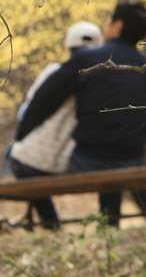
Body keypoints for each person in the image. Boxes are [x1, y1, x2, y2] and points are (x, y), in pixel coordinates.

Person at [17, 0, 146, 227]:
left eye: (108, 20)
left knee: (30, 163)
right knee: (123, 160)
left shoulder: (86, 59)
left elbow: (45, 99)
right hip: (132, 155)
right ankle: (140, 219)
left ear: (117, 25)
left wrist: (22, 132)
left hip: (88, 159)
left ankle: (53, 225)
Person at [6, 21, 104, 228]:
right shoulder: (100, 85)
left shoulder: (54, 72)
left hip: (30, 162)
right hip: (69, 163)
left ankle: (50, 225)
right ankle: (45, 224)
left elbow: (25, 111)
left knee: (14, 155)